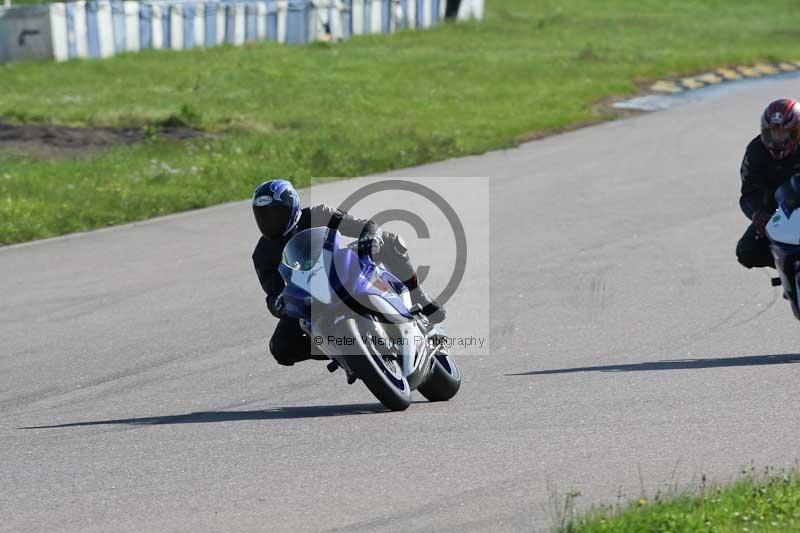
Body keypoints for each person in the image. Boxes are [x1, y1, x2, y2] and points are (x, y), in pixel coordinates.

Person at [251, 179, 446, 366]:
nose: (269, 221)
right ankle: (342, 353)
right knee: (280, 347)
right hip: (310, 294)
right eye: (263, 216)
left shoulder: (317, 214)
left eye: (275, 213)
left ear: (292, 208)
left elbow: (365, 225)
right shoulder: (262, 254)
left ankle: (419, 298)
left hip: (342, 267)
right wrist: (278, 305)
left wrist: (370, 237)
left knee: (390, 240)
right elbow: (273, 293)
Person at [737, 98, 800, 269]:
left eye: (784, 133)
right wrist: (758, 215)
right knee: (746, 252)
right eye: (772, 133)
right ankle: (786, 268)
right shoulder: (755, 151)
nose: (777, 140)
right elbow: (749, 193)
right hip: (776, 215)